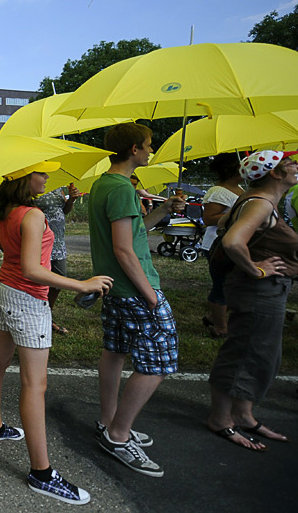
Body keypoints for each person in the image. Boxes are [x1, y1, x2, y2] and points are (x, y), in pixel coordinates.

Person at [0, 162, 113, 505]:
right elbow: (33, 269)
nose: (47, 178)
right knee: (34, 385)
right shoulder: (32, 214)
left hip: (4, 289)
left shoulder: (3, 208)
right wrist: (80, 284)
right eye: (42, 173)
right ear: (24, 175)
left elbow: (6, 250)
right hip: (27, 298)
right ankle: (42, 473)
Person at [87, 122, 185, 478]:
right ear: (133, 150)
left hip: (115, 288)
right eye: (148, 145)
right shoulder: (122, 189)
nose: (150, 151)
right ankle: (118, 434)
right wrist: (151, 296)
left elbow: (132, 231)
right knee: (159, 362)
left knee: (114, 352)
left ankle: (107, 421)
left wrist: (163, 211)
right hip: (135, 289)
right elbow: (124, 249)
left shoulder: (104, 184)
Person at [206, 150, 297, 450]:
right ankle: (221, 419)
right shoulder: (258, 203)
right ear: (275, 173)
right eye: (290, 164)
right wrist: (256, 269)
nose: (296, 167)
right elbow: (233, 241)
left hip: (266, 293)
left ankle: (243, 414)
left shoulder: (263, 202)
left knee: (261, 355)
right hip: (258, 292)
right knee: (244, 352)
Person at [200, 153, 245, 338]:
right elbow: (208, 219)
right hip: (217, 245)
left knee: (232, 284)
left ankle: (213, 316)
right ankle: (221, 327)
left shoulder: (240, 188)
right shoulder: (218, 192)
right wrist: (237, 216)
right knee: (222, 285)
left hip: (232, 241)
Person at [32, 182, 83, 336]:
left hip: (59, 242)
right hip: (40, 242)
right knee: (39, 283)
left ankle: (46, 316)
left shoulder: (55, 185)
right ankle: (35, 319)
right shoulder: (32, 187)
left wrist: (71, 200)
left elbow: (64, 210)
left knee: (59, 279)